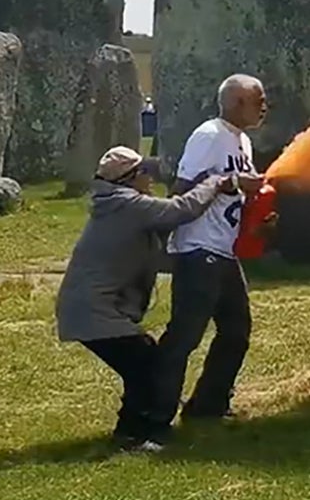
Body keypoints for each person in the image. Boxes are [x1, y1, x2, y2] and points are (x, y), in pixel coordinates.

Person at [55, 146, 262, 451]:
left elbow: (159, 256)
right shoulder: (127, 205)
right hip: (93, 311)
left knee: (144, 363)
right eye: (144, 172)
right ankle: (135, 436)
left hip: (88, 308)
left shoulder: (119, 206)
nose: (150, 178)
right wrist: (218, 181)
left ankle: (130, 432)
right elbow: (180, 210)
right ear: (129, 178)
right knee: (147, 365)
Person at [153, 73, 272, 427]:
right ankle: (152, 415)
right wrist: (163, 243)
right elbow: (182, 189)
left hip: (224, 250)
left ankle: (208, 405)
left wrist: (258, 222)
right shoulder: (210, 136)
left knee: (236, 330)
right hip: (198, 249)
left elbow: (235, 197)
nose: (264, 106)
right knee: (185, 336)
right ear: (236, 102)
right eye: (259, 99)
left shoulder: (243, 142)